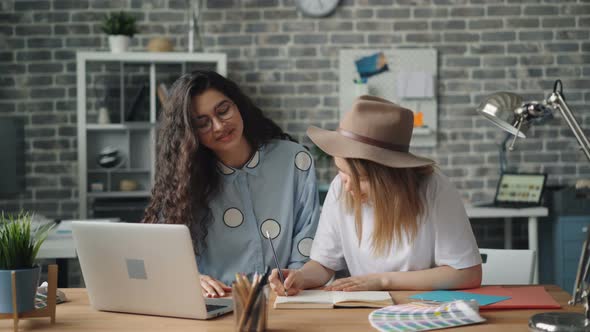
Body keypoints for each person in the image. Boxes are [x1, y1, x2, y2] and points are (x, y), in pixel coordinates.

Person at [269, 96, 482, 295]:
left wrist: (382, 281)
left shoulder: (434, 188)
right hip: (360, 309)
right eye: (341, 171)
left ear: (390, 177)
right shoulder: (339, 188)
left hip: (420, 309)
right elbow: (324, 264)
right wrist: (300, 277)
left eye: (360, 178)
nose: (347, 185)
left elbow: (467, 273)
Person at [143, 70, 319, 297]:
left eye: (223, 110)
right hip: (214, 303)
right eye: (202, 123)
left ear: (238, 104)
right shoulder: (183, 179)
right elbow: (160, 254)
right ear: (191, 134)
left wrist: (293, 281)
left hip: (283, 299)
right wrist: (189, 279)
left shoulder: (295, 160)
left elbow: (307, 236)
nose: (218, 126)